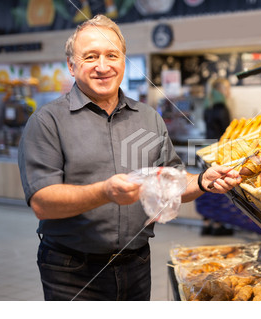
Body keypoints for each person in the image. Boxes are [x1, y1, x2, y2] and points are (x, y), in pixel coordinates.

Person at [17, 15, 241, 301]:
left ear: (124, 61)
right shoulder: (47, 121)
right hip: (71, 270)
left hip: (137, 264)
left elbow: (170, 180)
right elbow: (42, 203)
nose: (102, 66)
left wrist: (201, 180)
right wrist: (105, 192)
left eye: (112, 55)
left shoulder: (148, 118)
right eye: (90, 56)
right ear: (72, 66)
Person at [200, 78, 234, 236]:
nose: (229, 92)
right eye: (227, 88)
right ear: (222, 89)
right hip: (218, 151)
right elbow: (227, 133)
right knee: (218, 188)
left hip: (206, 148)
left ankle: (207, 224)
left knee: (206, 188)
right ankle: (218, 225)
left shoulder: (208, 105)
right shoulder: (222, 107)